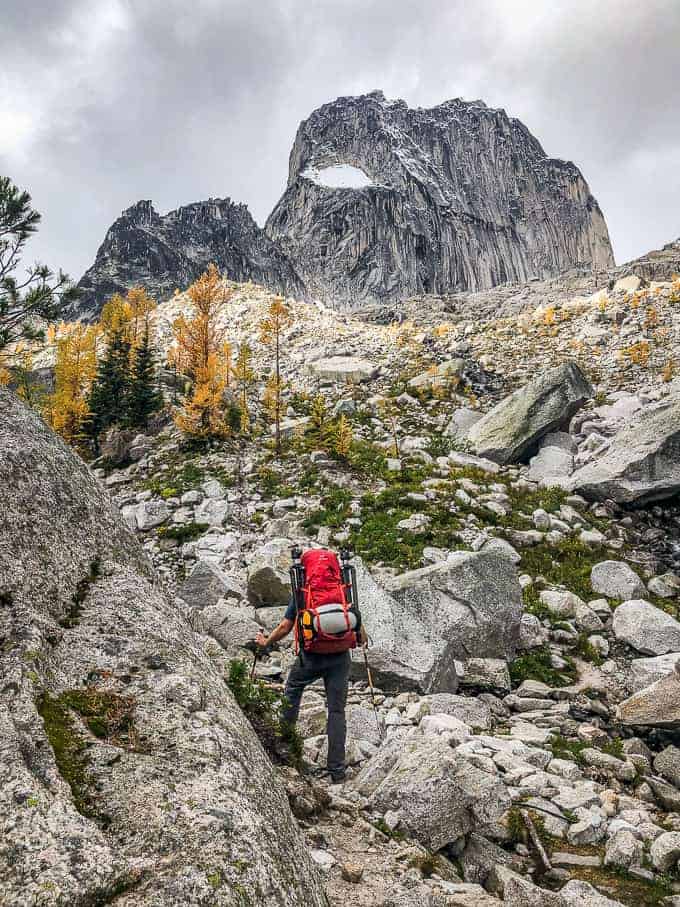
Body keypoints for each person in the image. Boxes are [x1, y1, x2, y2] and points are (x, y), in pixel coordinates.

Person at [255, 596, 367, 784]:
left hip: (311, 656)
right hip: (340, 658)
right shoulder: (340, 590)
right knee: (337, 711)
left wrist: (266, 642)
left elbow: (285, 627)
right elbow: (358, 628)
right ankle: (337, 772)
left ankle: (284, 747)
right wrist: (362, 639)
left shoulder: (303, 589)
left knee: (293, 688)